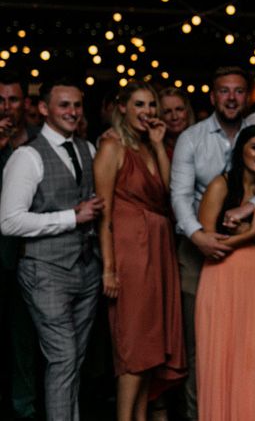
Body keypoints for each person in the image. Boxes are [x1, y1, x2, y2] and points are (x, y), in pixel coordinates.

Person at [170, 66, 255, 420]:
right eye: (225, 91)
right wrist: (199, 236)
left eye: (239, 91)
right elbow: (178, 196)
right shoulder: (192, 138)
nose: (232, 97)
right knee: (206, 351)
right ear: (213, 96)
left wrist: (247, 210)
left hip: (249, 263)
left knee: (254, 351)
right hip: (200, 252)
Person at [0, 77, 103, 421]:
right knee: (63, 358)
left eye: (77, 105)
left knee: (75, 361)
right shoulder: (27, 157)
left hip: (87, 269)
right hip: (45, 270)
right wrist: (71, 218)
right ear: (44, 109)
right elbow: (10, 222)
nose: (72, 112)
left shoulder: (88, 149)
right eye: (64, 105)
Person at [94, 81, 186, 421]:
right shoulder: (111, 147)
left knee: (150, 345)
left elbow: (166, 194)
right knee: (133, 345)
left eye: (152, 106)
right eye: (140, 105)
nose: (148, 112)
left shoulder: (149, 145)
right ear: (123, 107)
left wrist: (161, 146)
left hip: (158, 252)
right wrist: (109, 267)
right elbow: (103, 216)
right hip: (130, 255)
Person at [195, 125, 255, 421]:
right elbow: (210, 243)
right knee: (221, 356)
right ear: (241, 151)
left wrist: (251, 230)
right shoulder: (220, 185)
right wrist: (252, 234)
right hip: (221, 279)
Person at [0, 71, 41, 420]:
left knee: (23, 340)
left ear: (25, 103)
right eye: (0, 100)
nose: (7, 108)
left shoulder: (38, 142)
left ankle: (23, 406)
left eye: (13, 100)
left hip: (28, 258)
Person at [158, 87, 195, 159]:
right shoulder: (155, 151)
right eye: (167, 112)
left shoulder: (202, 143)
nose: (174, 117)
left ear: (187, 112)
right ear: (159, 116)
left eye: (179, 109)